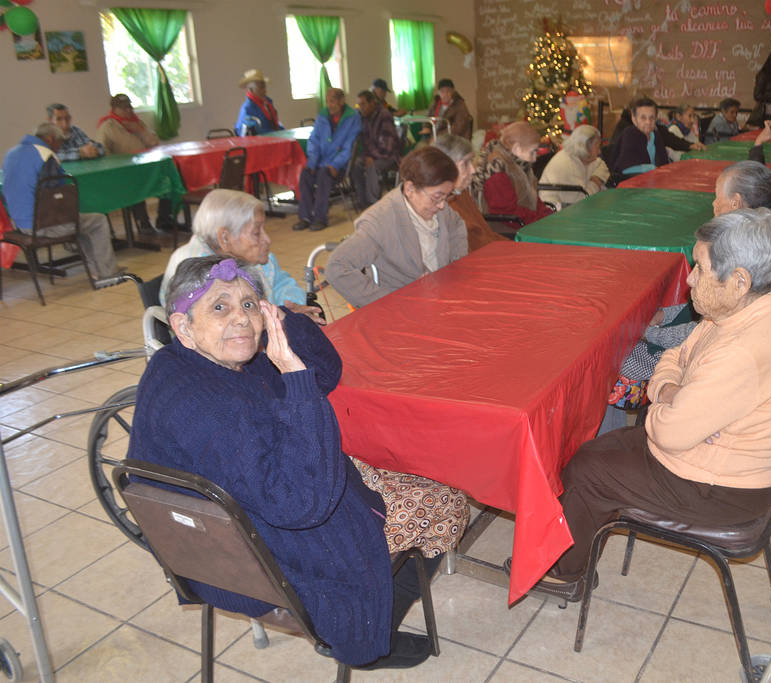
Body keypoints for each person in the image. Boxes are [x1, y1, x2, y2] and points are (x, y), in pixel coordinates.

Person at [131, 254, 466, 669]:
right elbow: (303, 504)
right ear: (183, 327)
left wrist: (281, 324)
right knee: (445, 502)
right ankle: (362, 632)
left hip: (254, 511)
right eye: (220, 307)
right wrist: (294, 377)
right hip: (267, 544)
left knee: (411, 470)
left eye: (249, 304)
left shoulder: (188, 363)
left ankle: (369, 617)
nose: (240, 319)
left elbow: (326, 372)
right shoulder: (209, 408)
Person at [536, 208, 771, 599]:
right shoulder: (740, 311)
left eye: (699, 268)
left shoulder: (743, 348)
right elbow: (674, 357)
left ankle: (567, 576)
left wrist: (667, 402)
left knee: (588, 470)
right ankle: (579, 549)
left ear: (738, 280)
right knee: (595, 452)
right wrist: (671, 392)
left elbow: (666, 430)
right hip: (711, 459)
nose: (690, 279)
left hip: (721, 488)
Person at [604, 160, 771, 433]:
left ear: (735, 203)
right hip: (715, 349)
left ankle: (615, 440)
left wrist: (644, 332)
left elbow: (705, 332)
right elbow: (708, 310)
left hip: (710, 361)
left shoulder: (743, 254)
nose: (713, 205)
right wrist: (666, 314)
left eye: (717, 198)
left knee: (607, 367)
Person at [325, 147, 468, 307]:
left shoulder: (437, 207)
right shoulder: (379, 221)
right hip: (405, 310)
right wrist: (394, 300)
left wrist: (453, 269)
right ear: (410, 189)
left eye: (446, 196)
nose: (442, 205)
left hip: (441, 297)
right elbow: (337, 268)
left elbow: (457, 226)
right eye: (437, 197)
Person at [160, 189, 322, 323]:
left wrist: (290, 307)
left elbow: (283, 283)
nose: (267, 239)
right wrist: (280, 317)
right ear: (225, 237)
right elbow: (220, 326)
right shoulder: (194, 269)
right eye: (257, 232)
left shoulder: (253, 258)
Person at [1, 122, 120, 280]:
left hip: (20, 224)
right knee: (97, 220)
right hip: (42, 225)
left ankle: (96, 271)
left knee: (82, 222)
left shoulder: (11, 153)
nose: (60, 146)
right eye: (60, 142)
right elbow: (55, 195)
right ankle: (108, 273)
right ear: (50, 139)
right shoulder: (45, 155)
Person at [97, 93, 173, 233]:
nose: (128, 111)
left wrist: (140, 131)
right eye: (123, 108)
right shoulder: (108, 127)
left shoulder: (137, 123)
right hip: (124, 171)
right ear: (114, 109)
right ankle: (143, 223)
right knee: (136, 185)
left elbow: (154, 142)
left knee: (169, 179)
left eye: (129, 107)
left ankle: (164, 218)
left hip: (146, 166)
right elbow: (103, 152)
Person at [293, 88, 361, 232]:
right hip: (320, 162)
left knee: (324, 174)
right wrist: (311, 163)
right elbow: (314, 140)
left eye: (333, 101)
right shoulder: (322, 116)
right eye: (328, 101)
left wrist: (335, 164)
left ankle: (320, 218)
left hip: (340, 166)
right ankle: (305, 217)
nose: (330, 105)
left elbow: (349, 147)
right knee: (305, 174)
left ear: (342, 101)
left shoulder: (352, 118)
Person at [432, 134, 508, 251]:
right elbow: (473, 247)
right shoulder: (442, 203)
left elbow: (485, 234)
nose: (473, 170)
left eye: (472, 162)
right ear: (447, 167)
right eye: (465, 164)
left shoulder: (460, 193)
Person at [470, 121, 552, 227]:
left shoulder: (520, 164)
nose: (534, 158)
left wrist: (547, 214)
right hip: (506, 229)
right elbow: (506, 212)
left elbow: (532, 199)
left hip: (523, 223)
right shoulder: (496, 169)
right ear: (516, 148)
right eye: (532, 152)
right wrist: (540, 220)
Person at [611, 97, 692, 175]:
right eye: (643, 118)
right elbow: (625, 169)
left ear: (656, 118)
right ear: (634, 119)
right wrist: (654, 169)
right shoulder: (629, 134)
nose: (648, 122)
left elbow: (664, 163)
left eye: (651, 118)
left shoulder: (655, 135)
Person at [351, 91, 401, 209]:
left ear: (372, 103)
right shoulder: (364, 117)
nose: (360, 108)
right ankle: (363, 200)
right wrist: (368, 155)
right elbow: (365, 142)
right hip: (373, 154)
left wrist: (371, 157)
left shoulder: (384, 116)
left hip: (389, 156)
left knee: (371, 166)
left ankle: (373, 203)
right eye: (359, 105)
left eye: (363, 104)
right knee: (355, 164)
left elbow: (387, 147)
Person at [538, 124, 609, 207]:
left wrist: (595, 179)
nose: (599, 152)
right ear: (586, 146)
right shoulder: (565, 165)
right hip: (557, 212)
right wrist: (596, 182)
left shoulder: (583, 157)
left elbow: (602, 165)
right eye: (597, 147)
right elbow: (580, 202)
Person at [235, 69, 284, 135]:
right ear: (251, 90)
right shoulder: (247, 108)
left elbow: (275, 123)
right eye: (261, 87)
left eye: (264, 87)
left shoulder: (268, 103)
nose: (264, 90)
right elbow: (243, 131)